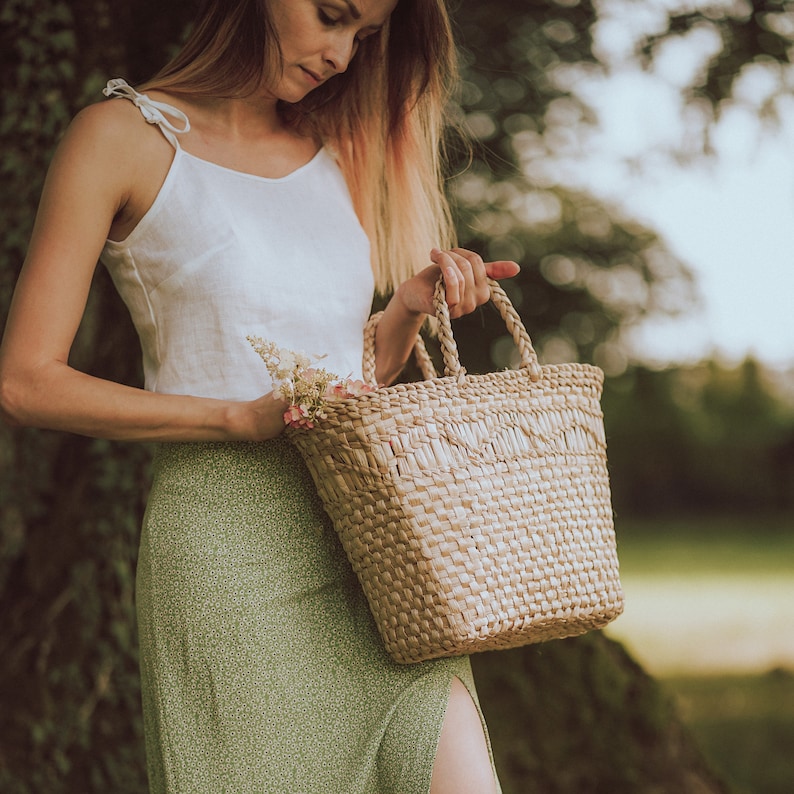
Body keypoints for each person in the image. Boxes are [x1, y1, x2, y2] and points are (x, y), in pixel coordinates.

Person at [0, 1, 520, 791]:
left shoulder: (338, 151)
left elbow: (342, 386)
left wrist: (404, 311)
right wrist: (235, 418)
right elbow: (25, 381)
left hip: (379, 548)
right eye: (332, 15)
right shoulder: (120, 138)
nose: (342, 55)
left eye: (365, 37)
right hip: (228, 554)